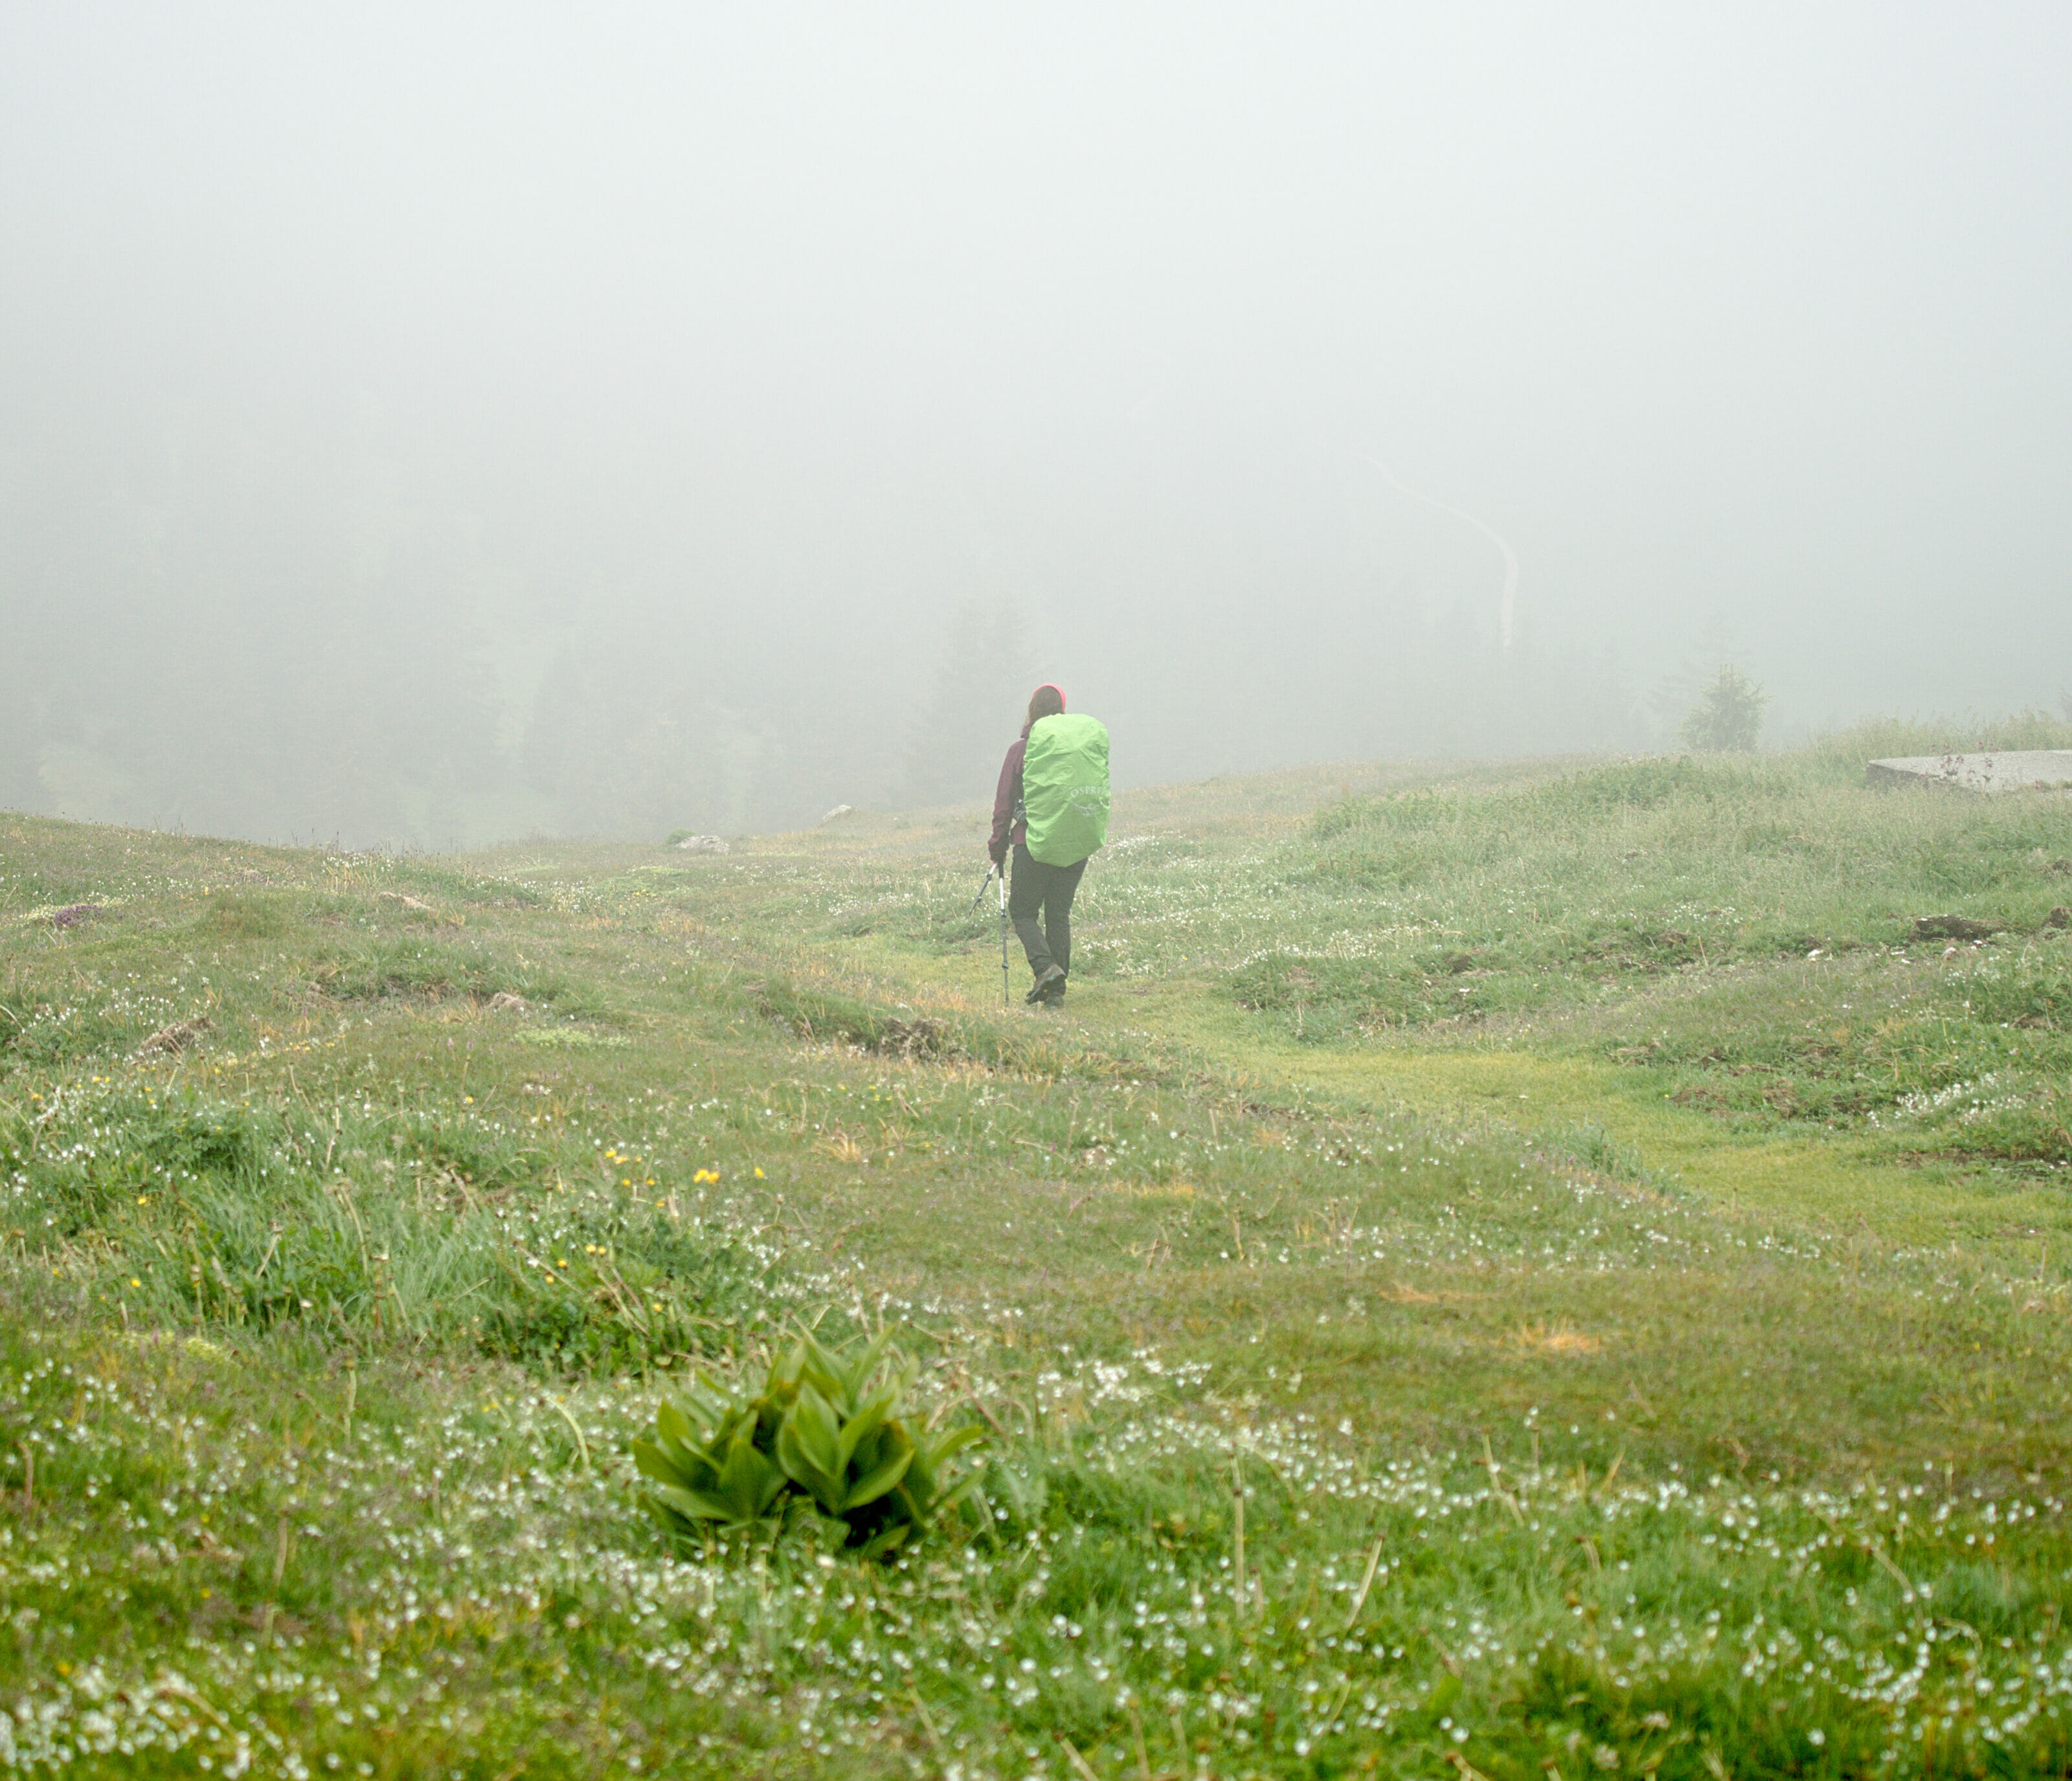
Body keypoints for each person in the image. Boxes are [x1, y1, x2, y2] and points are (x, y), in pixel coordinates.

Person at [989, 683, 1088, 1006]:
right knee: (1058, 915)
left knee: (1023, 911)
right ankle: (1055, 994)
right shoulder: (1076, 750)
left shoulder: (1020, 752)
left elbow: (1004, 805)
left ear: (1032, 710)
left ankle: (1046, 969)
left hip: (1032, 843)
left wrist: (997, 847)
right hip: (1074, 844)